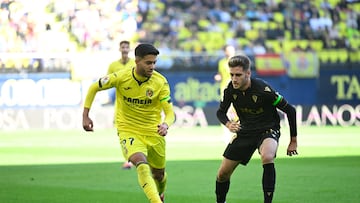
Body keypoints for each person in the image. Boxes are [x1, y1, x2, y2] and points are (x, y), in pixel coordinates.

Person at [83, 43, 175, 203]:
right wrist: (86, 115)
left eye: (154, 62)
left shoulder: (161, 82)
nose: (152, 66)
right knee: (141, 164)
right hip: (128, 129)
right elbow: (93, 87)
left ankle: (160, 193)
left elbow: (169, 112)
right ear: (137, 61)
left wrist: (166, 124)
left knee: (159, 175)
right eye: (148, 62)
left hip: (153, 132)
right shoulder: (121, 77)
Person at [215, 55, 298, 203]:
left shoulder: (264, 90)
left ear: (248, 74)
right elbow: (220, 112)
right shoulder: (230, 90)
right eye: (232, 75)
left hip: (267, 129)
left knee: (267, 156)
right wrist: (228, 124)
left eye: (238, 75)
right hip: (245, 131)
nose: (234, 79)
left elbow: (290, 110)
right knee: (222, 174)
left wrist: (293, 141)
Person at [107, 40, 136, 169]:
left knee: (136, 130)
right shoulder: (113, 65)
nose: (124, 49)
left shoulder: (135, 63)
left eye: (126, 47)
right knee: (121, 132)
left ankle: (138, 155)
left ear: (129, 49)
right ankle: (128, 159)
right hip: (120, 104)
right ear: (119, 49)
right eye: (122, 47)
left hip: (135, 103)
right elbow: (108, 81)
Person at [214, 44, 238, 143]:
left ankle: (239, 129)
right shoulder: (222, 62)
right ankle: (226, 132)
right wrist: (218, 77)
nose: (230, 52)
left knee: (237, 109)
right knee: (225, 110)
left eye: (231, 50)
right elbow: (220, 73)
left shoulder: (237, 62)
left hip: (236, 88)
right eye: (228, 50)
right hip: (225, 89)